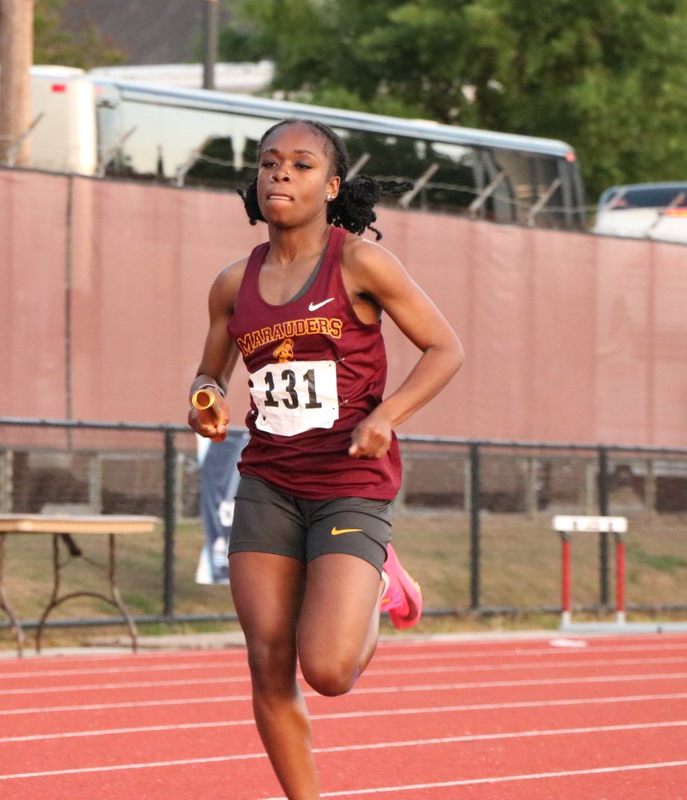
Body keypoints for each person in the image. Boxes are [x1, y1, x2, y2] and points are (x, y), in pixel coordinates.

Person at [186, 118, 464, 799]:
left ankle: (384, 577)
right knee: (267, 661)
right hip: (269, 482)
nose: (281, 173)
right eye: (269, 162)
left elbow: (446, 349)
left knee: (331, 672)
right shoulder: (232, 284)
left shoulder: (360, 265)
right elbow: (208, 374)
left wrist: (386, 416)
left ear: (331, 185)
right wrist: (205, 399)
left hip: (348, 477)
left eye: (302, 165)